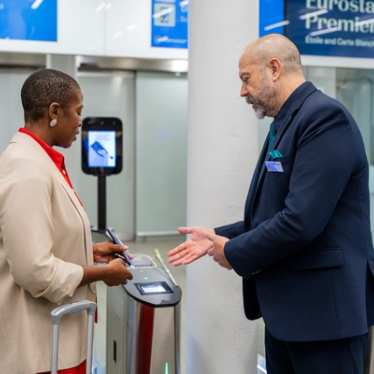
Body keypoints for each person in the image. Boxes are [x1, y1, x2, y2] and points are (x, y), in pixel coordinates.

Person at [168, 34, 374, 374]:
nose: (242, 91)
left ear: (274, 68)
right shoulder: (287, 120)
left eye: (245, 78)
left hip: (325, 319)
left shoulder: (324, 119)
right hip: (290, 315)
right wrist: (217, 236)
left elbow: (300, 221)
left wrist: (233, 251)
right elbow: (274, 212)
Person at [0, 69, 133, 374]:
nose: (80, 122)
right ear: (54, 112)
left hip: (56, 337)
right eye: (78, 112)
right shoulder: (26, 169)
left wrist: (90, 251)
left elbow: (45, 235)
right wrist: (99, 273)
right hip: (40, 349)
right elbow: (34, 269)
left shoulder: (41, 161)